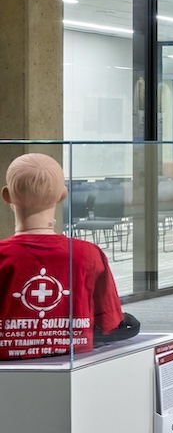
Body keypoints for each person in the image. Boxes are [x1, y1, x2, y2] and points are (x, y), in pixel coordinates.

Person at [0, 153, 137, 361]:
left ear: (7, 196)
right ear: (63, 195)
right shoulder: (89, 254)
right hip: (72, 358)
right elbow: (110, 321)